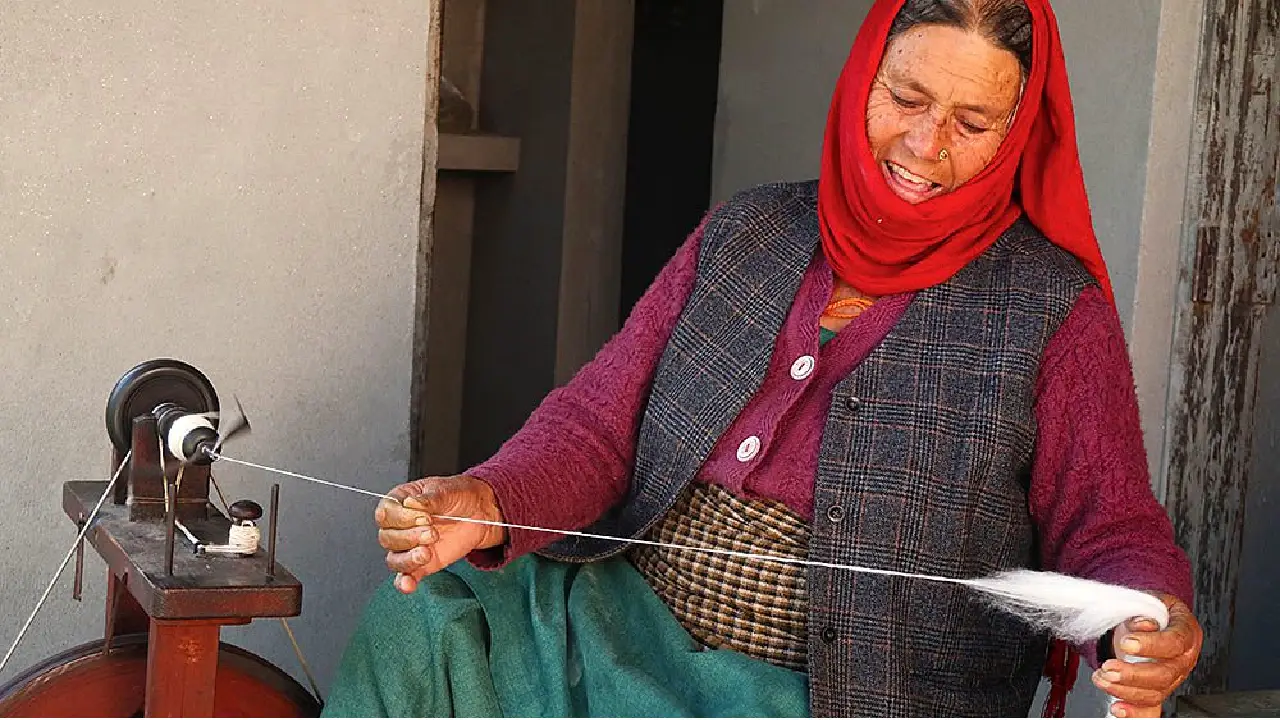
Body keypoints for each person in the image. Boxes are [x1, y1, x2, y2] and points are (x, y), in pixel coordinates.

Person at [325, 0, 1203, 716]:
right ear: (863, 78)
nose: (925, 146)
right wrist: (488, 503)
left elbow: (1110, 522)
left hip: (831, 694)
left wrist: (1143, 620)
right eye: (905, 97)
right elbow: (600, 424)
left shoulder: (1049, 310)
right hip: (620, 625)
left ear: (1015, 135)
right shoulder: (752, 230)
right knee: (422, 630)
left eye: (971, 122)